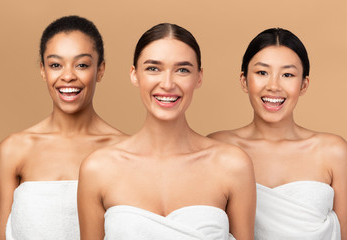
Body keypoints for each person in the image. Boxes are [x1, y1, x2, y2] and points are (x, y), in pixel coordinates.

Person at [78, 23, 256, 240]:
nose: (167, 83)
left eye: (182, 70)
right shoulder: (98, 169)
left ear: (198, 77)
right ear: (135, 75)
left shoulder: (232, 165)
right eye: (153, 68)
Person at [0, 15, 126, 240]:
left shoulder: (125, 150)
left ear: (100, 70)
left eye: (82, 65)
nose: (67, 76)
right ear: (43, 70)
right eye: (55, 65)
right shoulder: (14, 149)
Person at [208, 28, 347, 239]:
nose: (274, 86)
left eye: (288, 75)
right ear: (244, 80)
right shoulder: (218, 147)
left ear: (304, 84)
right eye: (262, 72)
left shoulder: (333, 152)